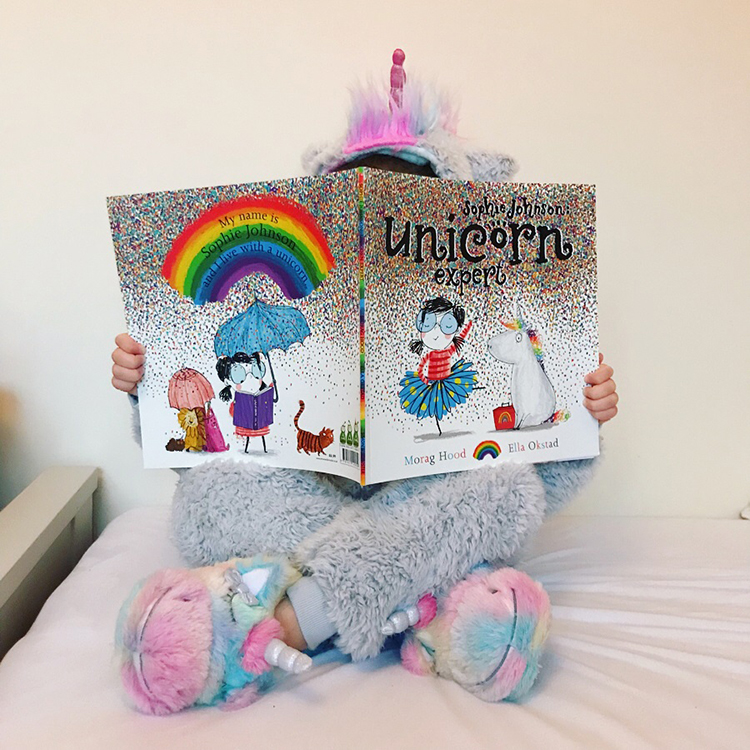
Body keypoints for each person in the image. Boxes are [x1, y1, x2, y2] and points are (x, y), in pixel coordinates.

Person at [111, 50, 618, 705]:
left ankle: (287, 617)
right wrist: (145, 383)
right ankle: (426, 603)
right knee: (208, 494)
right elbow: (197, 447)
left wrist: (584, 414)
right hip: (326, 499)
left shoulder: (492, 319)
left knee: (504, 487)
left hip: (426, 493)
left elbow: (547, 476)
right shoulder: (291, 303)